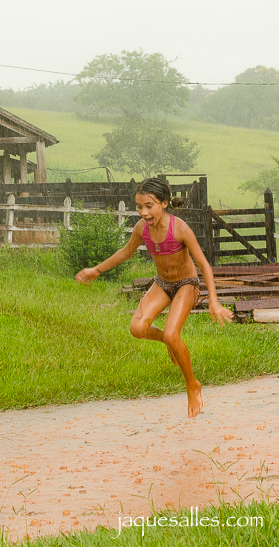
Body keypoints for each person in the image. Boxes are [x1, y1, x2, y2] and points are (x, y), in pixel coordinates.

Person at [75, 178, 233, 418]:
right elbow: (125, 252)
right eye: (139, 207)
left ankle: (192, 385)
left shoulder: (179, 228)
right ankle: (168, 343)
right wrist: (96, 270)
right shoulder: (141, 228)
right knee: (137, 328)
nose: (143, 212)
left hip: (185, 284)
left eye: (149, 205)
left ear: (164, 204)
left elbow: (203, 263)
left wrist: (214, 300)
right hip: (162, 283)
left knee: (173, 333)